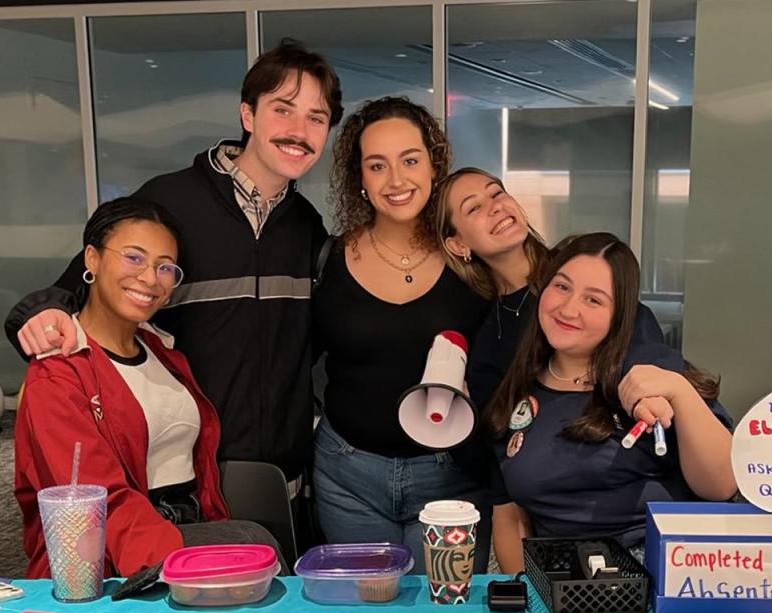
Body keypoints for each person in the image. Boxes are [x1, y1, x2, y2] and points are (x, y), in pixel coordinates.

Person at [5, 40, 343, 496]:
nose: (298, 130)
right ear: (248, 115)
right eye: (283, 109)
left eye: (316, 118)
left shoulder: (306, 225)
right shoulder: (169, 202)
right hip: (187, 475)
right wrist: (42, 313)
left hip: (286, 474)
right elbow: (82, 284)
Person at [14, 197, 279, 579]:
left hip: (185, 524)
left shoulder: (163, 351)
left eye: (165, 267)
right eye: (134, 257)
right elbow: (95, 501)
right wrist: (191, 563)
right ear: (92, 259)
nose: (150, 278)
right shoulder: (59, 370)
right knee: (255, 543)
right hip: (117, 550)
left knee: (259, 554)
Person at [429, 167, 668, 569]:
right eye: (474, 208)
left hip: (643, 528)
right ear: (457, 244)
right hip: (560, 550)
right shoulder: (490, 343)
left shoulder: (588, 270)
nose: (496, 207)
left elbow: (663, 405)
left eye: (497, 192)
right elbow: (504, 487)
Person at [483, 233, 737, 568]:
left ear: (621, 316)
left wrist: (679, 391)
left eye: (594, 300)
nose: (569, 308)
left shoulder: (653, 374)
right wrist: (524, 597)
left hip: (664, 573)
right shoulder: (517, 392)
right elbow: (512, 518)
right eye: (561, 287)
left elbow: (721, 485)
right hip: (567, 587)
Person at [311, 97, 492, 567]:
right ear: (360, 180)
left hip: (454, 475)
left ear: (434, 164)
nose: (396, 180)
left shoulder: (471, 253)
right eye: (377, 165)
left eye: (410, 160)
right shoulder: (326, 258)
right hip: (348, 476)